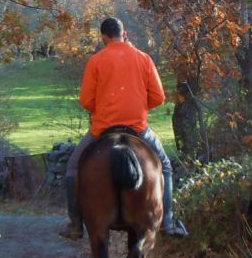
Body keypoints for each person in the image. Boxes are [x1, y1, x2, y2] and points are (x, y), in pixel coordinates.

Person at [59, 17, 189, 240]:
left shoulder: (96, 61)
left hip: (102, 129)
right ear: (125, 33)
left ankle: (75, 224)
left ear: (104, 37)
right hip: (138, 129)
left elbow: (86, 100)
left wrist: (103, 108)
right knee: (165, 167)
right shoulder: (144, 59)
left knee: (72, 168)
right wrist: (137, 104)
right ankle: (167, 221)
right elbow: (158, 97)